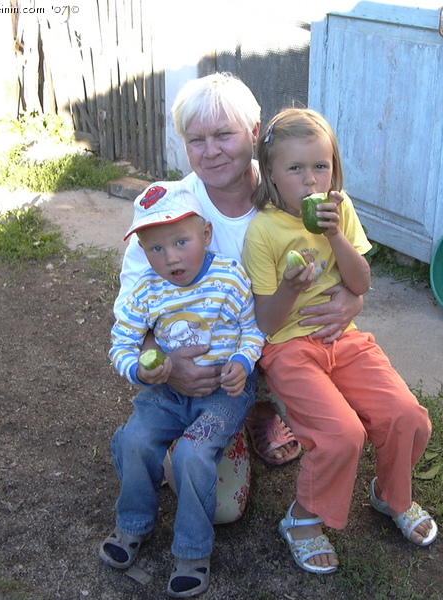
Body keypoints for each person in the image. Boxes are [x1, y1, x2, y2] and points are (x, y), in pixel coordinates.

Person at [116, 73, 363, 469]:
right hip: (211, 364)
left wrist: (354, 297)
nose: (211, 151)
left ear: (254, 132)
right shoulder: (169, 211)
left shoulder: (295, 181)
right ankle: (219, 415)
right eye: (196, 140)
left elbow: (342, 251)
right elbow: (133, 303)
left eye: (223, 135)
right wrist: (165, 364)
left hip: (284, 345)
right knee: (218, 506)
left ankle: (262, 408)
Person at [241, 108, 438, 574]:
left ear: (334, 168)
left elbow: (361, 281)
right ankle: (303, 521)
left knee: (407, 415)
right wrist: (290, 286)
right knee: (341, 434)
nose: (311, 180)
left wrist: (334, 235)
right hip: (290, 348)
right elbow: (267, 323)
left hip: (343, 338)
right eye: (295, 169)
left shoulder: (339, 209)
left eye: (321, 166)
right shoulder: (263, 230)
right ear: (270, 172)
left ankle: (393, 496)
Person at [101, 185, 264, 598]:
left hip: (222, 394)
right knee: (137, 438)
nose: (171, 257)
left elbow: (252, 330)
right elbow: (120, 343)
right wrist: (140, 369)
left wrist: (242, 364)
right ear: (142, 250)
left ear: (206, 234)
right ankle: (133, 524)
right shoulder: (146, 291)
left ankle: (192, 550)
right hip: (166, 394)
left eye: (181, 242)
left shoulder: (229, 276)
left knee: (194, 452)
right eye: (156, 249)